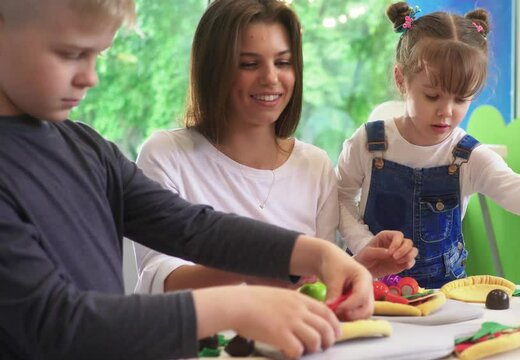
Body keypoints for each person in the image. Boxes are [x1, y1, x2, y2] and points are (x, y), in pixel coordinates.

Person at [0, 0, 375, 358]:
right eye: (69, 54)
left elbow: (193, 227)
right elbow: (54, 325)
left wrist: (318, 254)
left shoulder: (88, 150)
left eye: (98, 55)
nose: (91, 78)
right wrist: (237, 304)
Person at [133, 0, 418, 294]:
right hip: (199, 337)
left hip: (293, 339)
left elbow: (312, 290)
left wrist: (359, 268)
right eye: (249, 64)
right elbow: (160, 280)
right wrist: (264, 265)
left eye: (282, 62)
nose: (270, 78)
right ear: (213, 69)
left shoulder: (314, 165)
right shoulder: (166, 155)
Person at [337, 2, 520, 289]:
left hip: (445, 294)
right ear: (401, 79)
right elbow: (339, 197)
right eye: (432, 95)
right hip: (369, 287)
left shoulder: (467, 156)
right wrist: (363, 244)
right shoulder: (369, 142)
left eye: (461, 99)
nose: (446, 111)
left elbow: (512, 185)